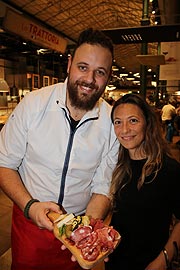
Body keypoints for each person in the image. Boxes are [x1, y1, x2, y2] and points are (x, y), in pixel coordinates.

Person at [0, 28, 119, 270]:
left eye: (100, 73)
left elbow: (103, 185)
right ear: (69, 64)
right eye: (83, 67)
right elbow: (4, 163)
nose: (89, 80)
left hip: (76, 226)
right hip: (29, 219)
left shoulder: (110, 122)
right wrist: (31, 207)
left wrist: (84, 231)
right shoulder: (33, 104)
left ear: (108, 78)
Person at [106, 93, 180, 270]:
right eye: (118, 122)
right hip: (115, 262)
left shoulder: (168, 169)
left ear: (147, 123)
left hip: (151, 263)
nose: (124, 130)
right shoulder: (115, 166)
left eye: (133, 121)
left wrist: (163, 259)